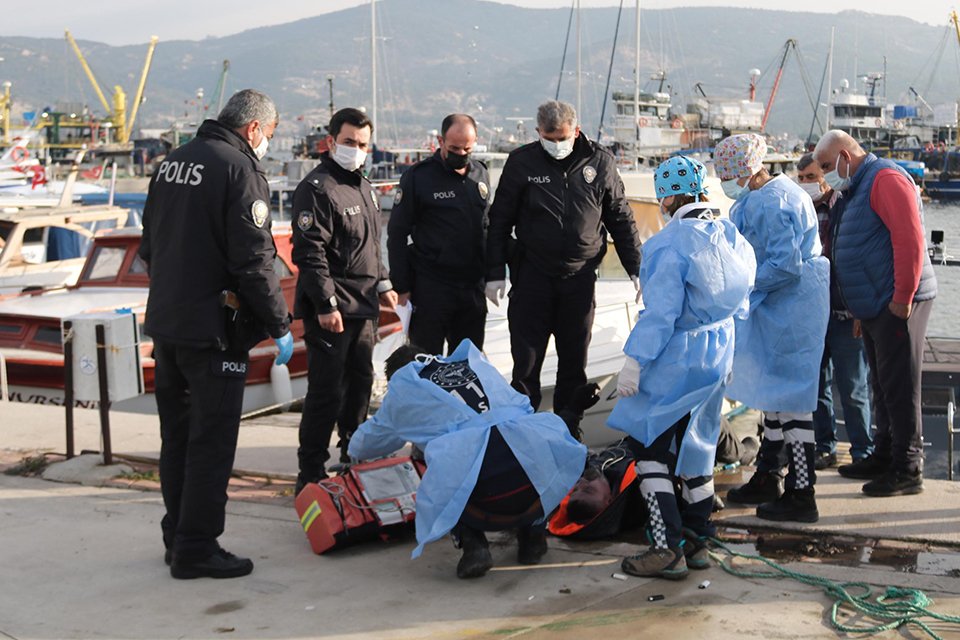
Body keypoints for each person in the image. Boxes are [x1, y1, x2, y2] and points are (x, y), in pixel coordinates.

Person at [139, 89, 293, 579]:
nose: (267, 143)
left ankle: (177, 534)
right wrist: (279, 324)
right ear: (254, 128)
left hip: (168, 326)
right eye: (270, 134)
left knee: (177, 438)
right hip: (215, 334)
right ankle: (197, 547)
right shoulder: (239, 169)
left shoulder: (172, 163)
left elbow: (149, 245)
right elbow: (254, 260)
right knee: (211, 442)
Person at [607, 156, 756, 580]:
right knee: (699, 446)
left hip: (677, 356)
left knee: (648, 446)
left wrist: (635, 361)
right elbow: (744, 295)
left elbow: (661, 315)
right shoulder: (731, 235)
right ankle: (697, 539)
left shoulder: (667, 244)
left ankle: (665, 548)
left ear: (667, 198)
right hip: (718, 351)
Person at [348, 339, 588, 579]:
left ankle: (473, 544)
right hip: (536, 491)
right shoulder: (473, 365)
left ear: (395, 379)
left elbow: (363, 446)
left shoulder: (403, 390)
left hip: (486, 504)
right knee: (518, 446)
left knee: (450, 463)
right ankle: (533, 534)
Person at [485, 99, 642, 412]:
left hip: (579, 279)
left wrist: (636, 267)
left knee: (573, 365)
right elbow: (499, 220)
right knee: (526, 366)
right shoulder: (522, 162)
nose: (556, 144)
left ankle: (569, 429)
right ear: (538, 132)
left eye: (562, 138)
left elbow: (619, 217)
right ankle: (522, 428)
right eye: (549, 138)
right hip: (533, 277)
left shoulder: (600, 161)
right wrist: (494, 272)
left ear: (576, 131)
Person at [813, 130, 937, 496]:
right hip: (873, 304)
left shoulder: (885, 179)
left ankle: (907, 466)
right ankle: (884, 455)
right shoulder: (856, 188)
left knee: (900, 385)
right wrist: (859, 310)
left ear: (845, 157)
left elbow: (909, 238)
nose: (824, 174)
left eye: (826, 165)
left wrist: (903, 296)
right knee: (881, 385)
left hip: (896, 301)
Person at [719, 134, 830, 524]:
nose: (725, 183)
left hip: (793, 308)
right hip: (782, 305)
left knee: (791, 400)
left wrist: (742, 285)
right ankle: (770, 476)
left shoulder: (774, 202)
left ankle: (803, 492)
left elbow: (784, 265)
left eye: (727, 175)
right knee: (773, 396)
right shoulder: (764, 196)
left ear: (747, 171)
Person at [291, 108, 397, 494]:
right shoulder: (317, 189)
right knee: (326, 391)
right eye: (350, 142)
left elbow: (370, 245)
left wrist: (384, 284)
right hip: (332, 309)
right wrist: (325, 304)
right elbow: (309, 252)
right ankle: (310, 472)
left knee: (360, 386)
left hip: (364, 306)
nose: (357, 149)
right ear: (331, 142)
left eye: (363, 144)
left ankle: (353, 456)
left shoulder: (364, 187)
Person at [387, 114, 490, 354]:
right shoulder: (418, 177)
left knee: (468, 362)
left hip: (472, 287)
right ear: (441, 141)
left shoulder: (480, 173)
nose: (461, 154)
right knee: (426, 361)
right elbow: (397, 234)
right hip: (432, 287)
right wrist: (401, 286)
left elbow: (487, 225)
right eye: (454, 148)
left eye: (467, 149)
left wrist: (493, 273)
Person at [796, 153, 873, 469]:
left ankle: (862, 451)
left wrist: (859, 310)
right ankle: (824, 446)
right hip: (812, 316)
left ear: (826, 177)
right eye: (801, 178)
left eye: (811, 177)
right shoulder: (799, 211)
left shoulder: (847, 207)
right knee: (816, 388)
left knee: (853, 388)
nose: (806, 184)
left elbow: (859, 259)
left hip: (844, 313)